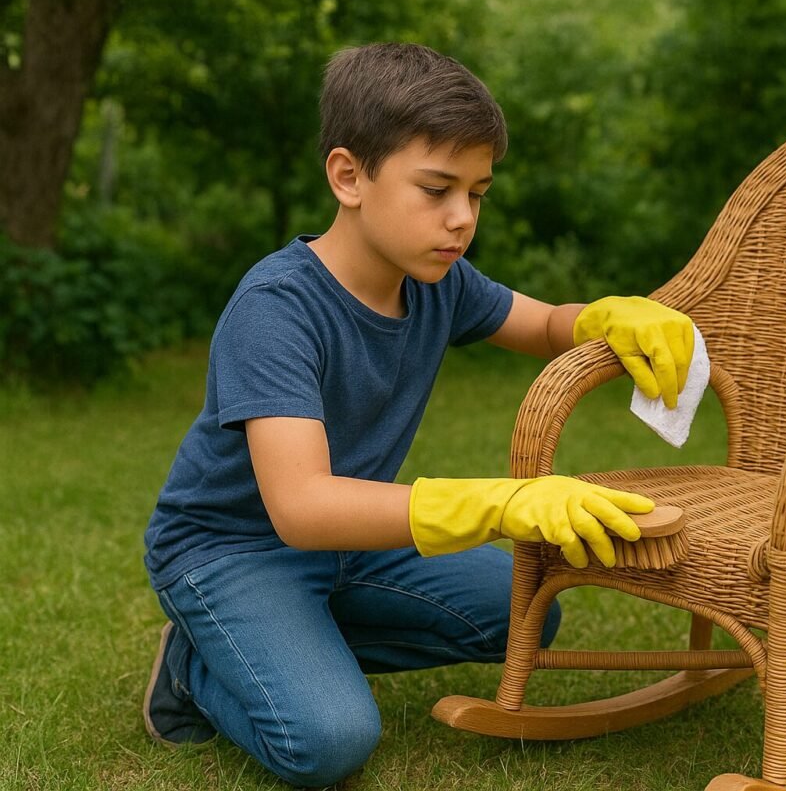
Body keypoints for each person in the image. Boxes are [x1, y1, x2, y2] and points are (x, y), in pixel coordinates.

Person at [140, 42, 694, 787]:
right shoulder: (275, 311)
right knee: (329, 741)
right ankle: (192, 671)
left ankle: (284, 645)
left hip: (351, 544)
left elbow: (538, 325)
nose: (462, 217)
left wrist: (604, 318)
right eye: (437, 189)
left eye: (478, 192)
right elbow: (302, 507)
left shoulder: (438, 280)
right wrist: (499, 504)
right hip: (233, 548)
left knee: (524, 612)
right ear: (349, 176)